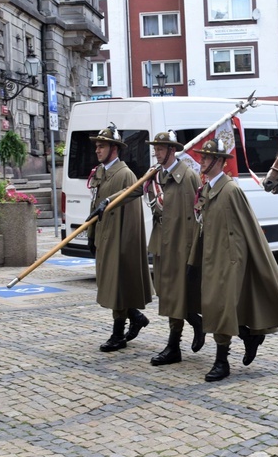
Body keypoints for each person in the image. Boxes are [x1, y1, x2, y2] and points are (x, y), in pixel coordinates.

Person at [89, 130, 204, 366]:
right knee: (166, 292)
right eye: (156, 148)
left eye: (160, 149)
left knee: (176, 293)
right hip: (162, 241)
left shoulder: (189, 176)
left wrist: (193, 250)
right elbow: (133, 192)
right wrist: (109, 202)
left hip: (182, 243)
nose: (156, 152)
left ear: (172, 150)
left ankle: (175, 345)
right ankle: (195, 321)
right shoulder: (155, 176)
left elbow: (197, 214)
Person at [190, 139, 278, 382]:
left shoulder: (230, 190)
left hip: (228, 261)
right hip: (210, 259)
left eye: (207, 158)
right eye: (203, 157)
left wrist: (234, 262)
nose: (202, 161)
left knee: (221, 307)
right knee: (214, 307)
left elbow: (245, 228)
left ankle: (222, 361)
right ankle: (249, 336)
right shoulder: (207, 189)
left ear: (219, 161)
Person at [86, 124, 152, 352]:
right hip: (104, 237)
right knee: (111, 286)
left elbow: (132, 217)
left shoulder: (125, 175)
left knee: (117, 287)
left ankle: (118, 335)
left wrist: (124, 246)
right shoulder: (101, 172)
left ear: (115, 148)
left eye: (102, 146)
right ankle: (136, 317)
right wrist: (91, 234)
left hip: (119, 240)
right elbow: (96, 206)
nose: (97, 150)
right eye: (97, 146)